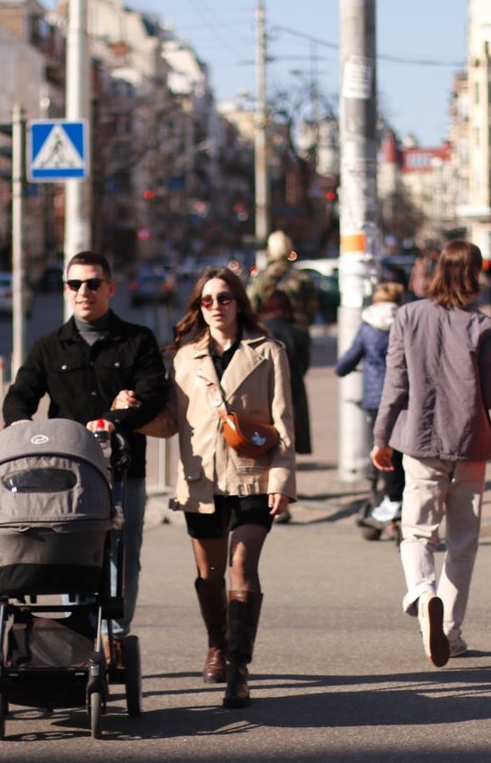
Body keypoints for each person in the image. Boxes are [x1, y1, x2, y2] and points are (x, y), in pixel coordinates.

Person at [140, 267, 295, 709]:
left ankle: (239, 669)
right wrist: (132, 413)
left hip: (252, 476)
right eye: (206, 300)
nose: (215, 307)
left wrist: (282, 481)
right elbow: (171, 423)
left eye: (224, 298)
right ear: (198, 307)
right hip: (201, 480)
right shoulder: (186, 358)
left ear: (238, 303)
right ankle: (217, 643)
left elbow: (284, 423)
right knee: (209, 574)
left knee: (241, 565)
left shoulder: (268, 352)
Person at [2, 251, 168, 664]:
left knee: (121, 559)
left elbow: (152, 395)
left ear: (110, 288)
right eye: (75, 284)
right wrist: (21, 427)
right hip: (67, 476)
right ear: (66, 290)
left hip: (123, 472)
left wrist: (113, 419)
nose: (83, 292)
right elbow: (20, 396)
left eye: (93, 283)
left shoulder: (137, 340)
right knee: (70, 555)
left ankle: (115, 637)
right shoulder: (49, 346)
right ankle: (76, 636)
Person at [371, 240, 491, 667]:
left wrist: (381, 438)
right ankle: (448, 630)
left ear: (436, 272)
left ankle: (422, 590)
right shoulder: (485, 327)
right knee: (463, 542)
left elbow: (395, 384)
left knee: (417, 533)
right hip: (469, 443)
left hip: (421, 439)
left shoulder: (408, 316)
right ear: (474, 276)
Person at [335, 281, 406, 524]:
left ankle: (391, 498)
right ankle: (402, 494)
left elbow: (349, 358)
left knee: (382, 448)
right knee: (402, 447)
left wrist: (341, 369)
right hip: (404, 396)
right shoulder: (405, 323)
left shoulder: (368, 327)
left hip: (377, 398)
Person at [259, 290, 312, 456]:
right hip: (294, 383)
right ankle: (288, 453)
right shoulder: (298, 331)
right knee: (291, 423)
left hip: (264, 386)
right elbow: (305, 364)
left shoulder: (260, 330)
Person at [247, 230, 318, 330]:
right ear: (289, 249)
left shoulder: (261, 278)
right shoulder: (301, 278)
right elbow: (312, 310)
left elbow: (250, 306)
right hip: (296, 332)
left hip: (268, 332)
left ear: (269, 251)